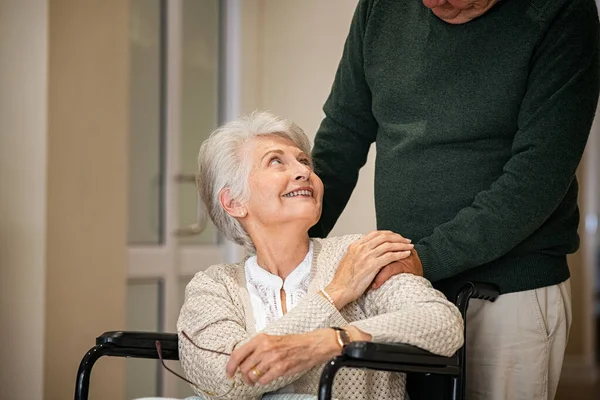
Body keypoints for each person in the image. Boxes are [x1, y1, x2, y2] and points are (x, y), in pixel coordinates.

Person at [308, 0, 600, 399]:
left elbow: (538, 177)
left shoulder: (563, 11)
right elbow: (343, 132)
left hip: (506, 293)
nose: (441, 4)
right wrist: (295, 242)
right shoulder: (380, 6)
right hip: (404, 290)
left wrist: (423, 259)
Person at [176, 111, 464, 400]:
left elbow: (443, 323)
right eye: (276, 162)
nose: (304, 172)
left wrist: (334, 340)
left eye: (304, 161)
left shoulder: (360, 255)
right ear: (234, 202)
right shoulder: (214, 286)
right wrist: (334, 294)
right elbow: (224, 381)